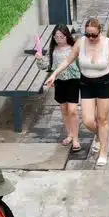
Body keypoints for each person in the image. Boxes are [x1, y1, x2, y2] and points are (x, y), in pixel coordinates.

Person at [46, 17, 109, 167]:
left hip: (105, 83)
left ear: (100, 32)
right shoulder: (81, 43)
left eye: (94, 35)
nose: (91, 38)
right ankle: (101, 136)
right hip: (87, 83)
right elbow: (68, 60)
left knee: (102, 119)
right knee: (88, 120)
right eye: (88, 34)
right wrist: (54, 74)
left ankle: (103, 151)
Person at [38, 23, 82, 151]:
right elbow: (45, 66)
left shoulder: (73, 48)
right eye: (56, 37)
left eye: (61, 36)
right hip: (59, 82)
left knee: (73, 110)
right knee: (64, 109)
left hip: (73, 80)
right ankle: (70, 133)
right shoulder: (53, 50)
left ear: (67, 36)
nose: (59, 39)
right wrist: (40, 59)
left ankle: (76, 139)